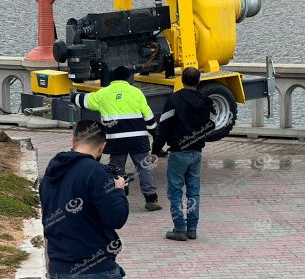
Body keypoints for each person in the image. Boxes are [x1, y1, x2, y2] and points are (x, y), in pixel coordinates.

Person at [39, 120, 129, 278]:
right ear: (102, 147)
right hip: (96, 269)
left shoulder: (51, 171)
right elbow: (117, 218)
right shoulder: (97, 172)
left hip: (59, 267)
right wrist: (119, 190)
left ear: (73, 141)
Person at [71, 66, 162, 211]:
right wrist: (156, 134)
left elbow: (84, 101)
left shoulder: (103, 93)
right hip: (137, 139)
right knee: (144, 167)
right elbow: (148, 116)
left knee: (117, 169)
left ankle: (120, 195)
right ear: (127, 78)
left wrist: (73, 96)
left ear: (112, 78)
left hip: (116, 139)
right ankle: (151, 199)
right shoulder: (136, 92)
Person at [151, 67, 216, 241]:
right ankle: (192, 228)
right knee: (194, 192)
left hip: (179, 152)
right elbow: (211, 126)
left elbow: (163, 128)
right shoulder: (206, 101)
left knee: (175, 192)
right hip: (196, 152)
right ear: (199, 81)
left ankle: (179, 228)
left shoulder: (174, 99)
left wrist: (156, 150)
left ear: (182, 80)